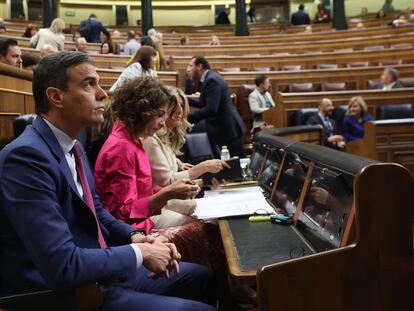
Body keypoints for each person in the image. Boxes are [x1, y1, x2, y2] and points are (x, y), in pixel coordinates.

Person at [0, 51, 216, 311]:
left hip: (99, 274)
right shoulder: (26, 158)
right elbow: (62, 264)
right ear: (56, 97)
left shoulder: (74, 147)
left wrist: (136, 237)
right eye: (89, 84)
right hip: (69, 294)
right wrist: (140, 253)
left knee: (202, 279)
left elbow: (98, 212)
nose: (103, 94)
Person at [142, 88, 229, 188]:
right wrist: (205, 167)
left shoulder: (168, 139)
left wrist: (205, 181)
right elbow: (167, 183)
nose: (180, 110)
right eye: (174, 105)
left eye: (182, 105)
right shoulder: (150, 139)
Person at [186, 56, 246, 158]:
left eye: (191, 66)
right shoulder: (209, 78)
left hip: (228, 129)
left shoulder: (211, 80)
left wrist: (187, 118)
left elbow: (211, 109)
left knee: (236, 163)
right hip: (224, 128)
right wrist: (185, 99)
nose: (188, 69)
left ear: (199, 66)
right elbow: (203, 104)